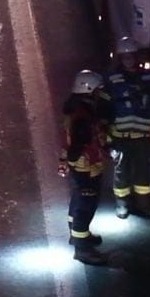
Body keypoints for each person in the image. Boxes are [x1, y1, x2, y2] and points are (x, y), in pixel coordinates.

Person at [102, 36, 150, 219]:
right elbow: (105, 110)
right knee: (121, 173)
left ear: (137, 57)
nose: (128, 60)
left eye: (131, 56)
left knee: (143, 174)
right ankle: (122, 206)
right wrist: (106, 137)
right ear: (120, 59)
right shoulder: (112, 80)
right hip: (120, 137)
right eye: (124, 57)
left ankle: (144, 205)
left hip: (143, 137)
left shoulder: (149, 78)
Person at [58, 69, 110, 264]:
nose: (99, 93)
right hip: (86, 167)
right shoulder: (83, 114)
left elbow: (68, 141)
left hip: (79, 165)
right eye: (97, 90)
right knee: (86, 206)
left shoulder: (76, 109)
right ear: (89, 90)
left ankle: (78, 235)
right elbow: (82, 142)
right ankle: (83, 250)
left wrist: (64, 160)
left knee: (78, 200)